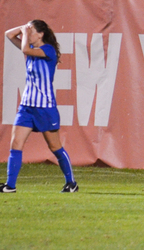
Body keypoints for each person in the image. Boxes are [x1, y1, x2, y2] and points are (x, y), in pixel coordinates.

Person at [1, 20, 78, 193]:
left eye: (32, 30)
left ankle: (71, 182)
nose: (28, 33)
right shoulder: (29, 49)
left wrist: (24, 33)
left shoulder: (48, 50)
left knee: (55, 147)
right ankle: (10, 186)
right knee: (15, 144)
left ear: (41, 34)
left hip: (45, 107)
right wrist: (23, 28)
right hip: (27, 106)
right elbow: (8, 35)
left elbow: (25, 49)